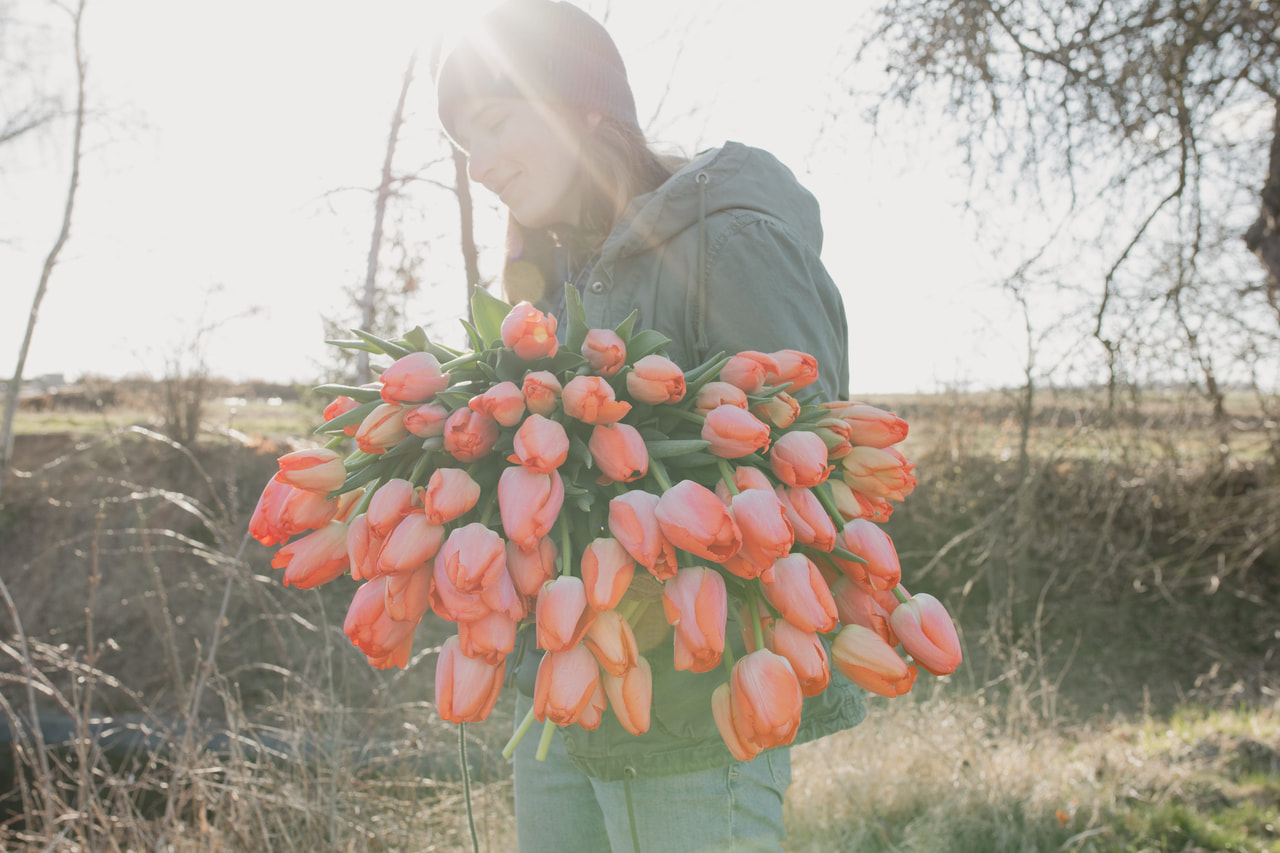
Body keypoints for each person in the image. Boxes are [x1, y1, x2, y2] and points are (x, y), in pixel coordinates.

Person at [435, 2, 859, 850]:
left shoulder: (728, 242)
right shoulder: (555, 286)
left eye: (496, 124)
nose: (480, 167)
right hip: (563, 696)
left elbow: (811, 477)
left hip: (692, 719)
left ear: (583, 106)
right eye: (464, 145)